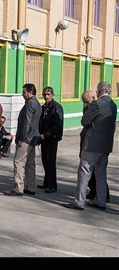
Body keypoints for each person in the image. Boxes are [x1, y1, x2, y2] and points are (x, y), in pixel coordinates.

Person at [62, 82, 116, 211]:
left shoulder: (97, 104)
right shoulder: (113, 105)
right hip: (106, 144)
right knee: (101, 174)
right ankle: (101, 201)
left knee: (84, 173)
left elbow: (84, 121)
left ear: (98, 91)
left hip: (92, 144)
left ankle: (79, 202)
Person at [4, 83, 42, 196]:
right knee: (30, 163)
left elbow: (27, 122)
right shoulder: (36, 103)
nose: (22, 94)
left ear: (30, 92)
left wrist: (22, 138)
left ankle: (18, 188)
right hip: (33, 138)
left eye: (24, 92)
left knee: (19, 162)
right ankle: (30, 186)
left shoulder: (30, 104)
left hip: (26, 139)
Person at [80, 90, 110, 202]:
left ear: (94, 97)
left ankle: (102, 195)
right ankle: (95, 193)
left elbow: (85, 122)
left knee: (93, 172)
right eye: (84, 102)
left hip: (95, 144)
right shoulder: (87, 108)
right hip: (86, 140)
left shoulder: (98, 106)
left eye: (87, 102)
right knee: (94, 173)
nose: (86, 105)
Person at [37, 87, 64, 193]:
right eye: (44, 94)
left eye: (48, 94)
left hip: (51, 138)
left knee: (51, 162)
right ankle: (46, 183)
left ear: (53, 94)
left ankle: (52, 185)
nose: (46, 96)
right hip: (43, 138)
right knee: (45, 160)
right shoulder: (44, 107)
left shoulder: (56, 107)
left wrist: (46, 134)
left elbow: (57, 125)